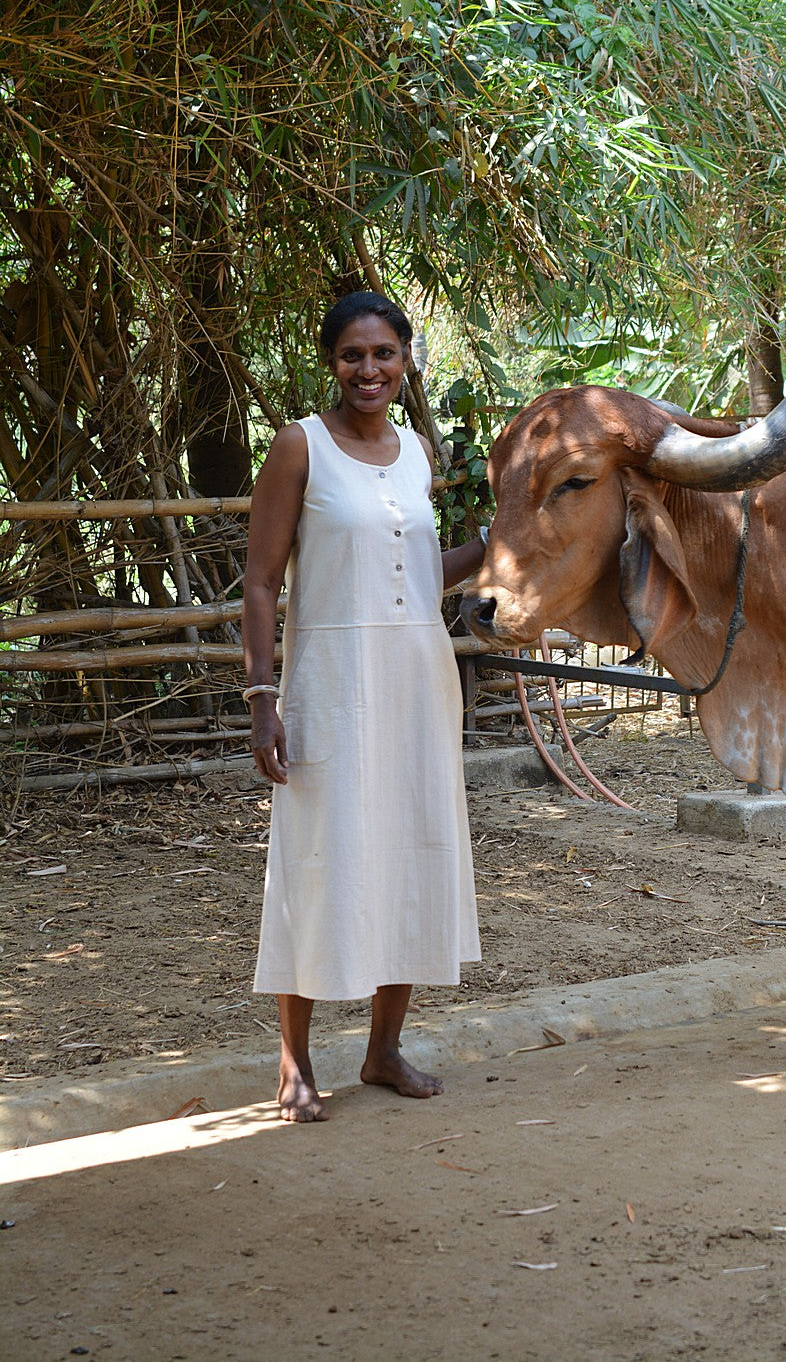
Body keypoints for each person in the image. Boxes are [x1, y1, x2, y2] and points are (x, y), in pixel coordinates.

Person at [242, 292, 485, 1122]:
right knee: (320, 859)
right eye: (353, 355)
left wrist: (495, 544)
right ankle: (294, 1063)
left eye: (384, 353)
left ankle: (383, 1052)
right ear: (331, 363)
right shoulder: (298, 448)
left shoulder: (419, 451)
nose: (369, 369)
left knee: (409, 850)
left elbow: (417, 569)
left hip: (418, 678)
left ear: (407, 358)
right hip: (332, 686)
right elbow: (262, 582)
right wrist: (261, 697)